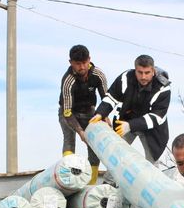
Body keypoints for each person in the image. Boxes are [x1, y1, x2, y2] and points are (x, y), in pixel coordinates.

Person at [90, 54, 171, 163]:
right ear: (135, 70)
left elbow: (157, 117)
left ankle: (150, 180)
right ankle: (109, 180)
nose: (143, 77)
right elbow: (111, 97)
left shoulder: (163, 87)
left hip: (152, 129)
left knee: (152, 161)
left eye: (147, 73)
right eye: (140, 72)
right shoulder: (125, 78)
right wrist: (100, 113)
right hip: (126, 120)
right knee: (115, 153)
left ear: (153, 71)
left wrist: (130, 126)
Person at [59, 44, 109, 184]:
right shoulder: (68, 80)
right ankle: (68, 180)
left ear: (89, 59)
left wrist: (104, 115)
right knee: (69, 140)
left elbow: (107, 99)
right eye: (78, 64)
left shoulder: (98, 74)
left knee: (94, 145)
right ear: (71, 63)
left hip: (89, 112)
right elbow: (67, 111)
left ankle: (91, 184)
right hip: (69, 113)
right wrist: (80, 131)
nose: (82, 67)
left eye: (84, 63)